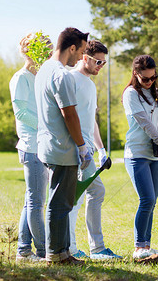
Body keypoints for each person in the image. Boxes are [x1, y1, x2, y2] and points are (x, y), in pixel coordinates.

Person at [35, 27, 93, 265]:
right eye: (81, 51)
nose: (81, 58)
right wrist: (81, 146)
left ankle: (63, 252)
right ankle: (57, 255)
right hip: (62, 148)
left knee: (59, 202)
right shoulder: (62, 75)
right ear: (71, 48)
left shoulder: (44, 70)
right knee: (60, 204)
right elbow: (70, 114)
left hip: (48, 145)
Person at [68, 40, 121, 260]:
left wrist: (101, 150)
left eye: (104, 63)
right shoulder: (71, 79)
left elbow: (92, 121)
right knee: (75, 198)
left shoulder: (90, 84)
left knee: (93, 192)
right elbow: (66, 116)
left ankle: (93, 248)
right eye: (98, 61)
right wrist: (80, 147)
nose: (101, 66)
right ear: (84, 57)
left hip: (89, 150)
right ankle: (73, 248)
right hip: (76, 149)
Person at [122, 55, 158, 259]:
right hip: (137, 153)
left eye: (153, 78)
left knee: (152, 202)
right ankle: (138, 247)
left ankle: (147, 247)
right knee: (147, 199)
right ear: (136, 74)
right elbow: (143, 121)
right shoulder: (131, 94)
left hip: (154, 155)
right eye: (146, 79)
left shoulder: (156, 94)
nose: (150, 81)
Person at [9, 33, 51, 262]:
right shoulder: (20, 78)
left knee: (31, 200)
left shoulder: (39, 77)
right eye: (45, 49)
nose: (49, 53)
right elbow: (22, 113)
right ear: (32, 51)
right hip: (31, 146)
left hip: (42, 145)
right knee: (36, 202)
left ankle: (24, 251)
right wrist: (48, 125)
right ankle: (45, 252)